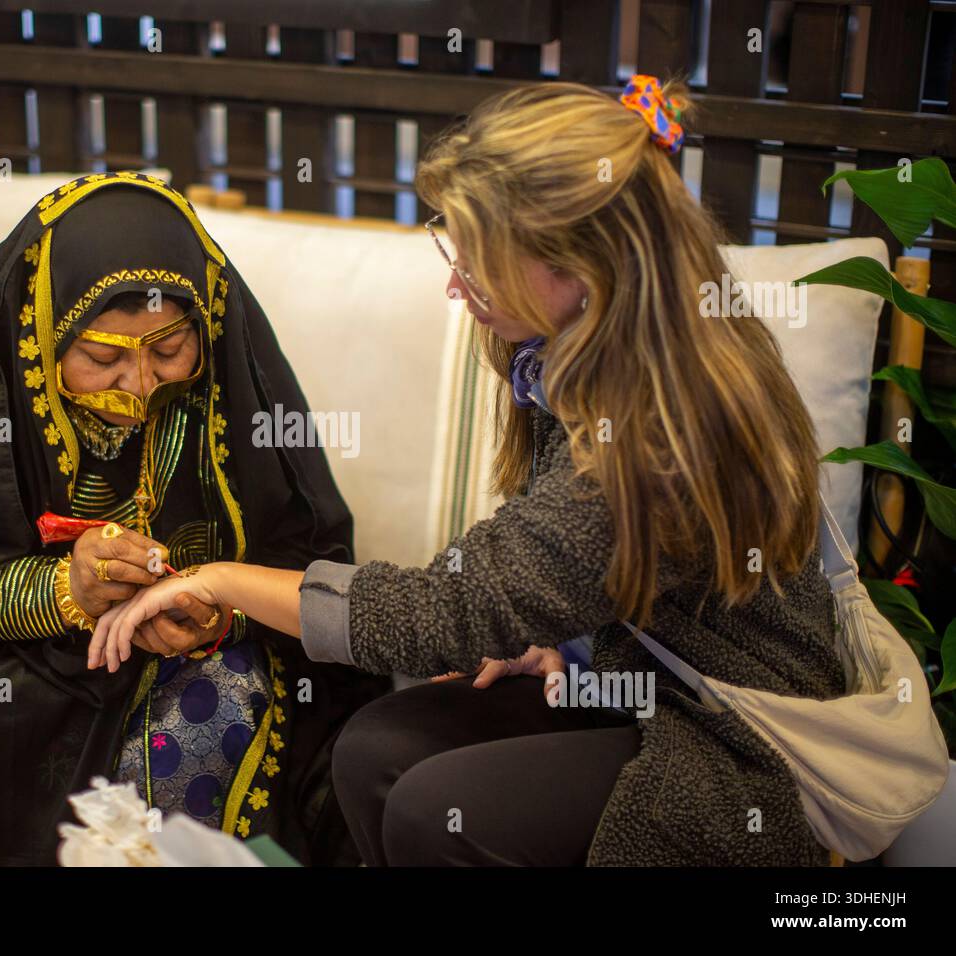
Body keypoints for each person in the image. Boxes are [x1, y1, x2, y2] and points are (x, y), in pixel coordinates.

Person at [89, 77, 849, 866]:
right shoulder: (568, 357)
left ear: (576, 263)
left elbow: (443, 613)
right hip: (632, 680)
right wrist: (574, 641)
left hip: (734, 743)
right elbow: (567, 576)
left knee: (434, 809)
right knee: (377, 745)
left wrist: (216, 580)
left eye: (477, 262)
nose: (456, 285)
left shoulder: (658, 427)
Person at [0, 172, 387, 865]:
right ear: (42, 331)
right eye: (103, 358)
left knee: (224, 700)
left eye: (169, 352)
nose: (139, 386)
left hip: (171, 665)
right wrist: (65, 592)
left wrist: (216, 612)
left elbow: (297, 563)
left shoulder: (226, 394)